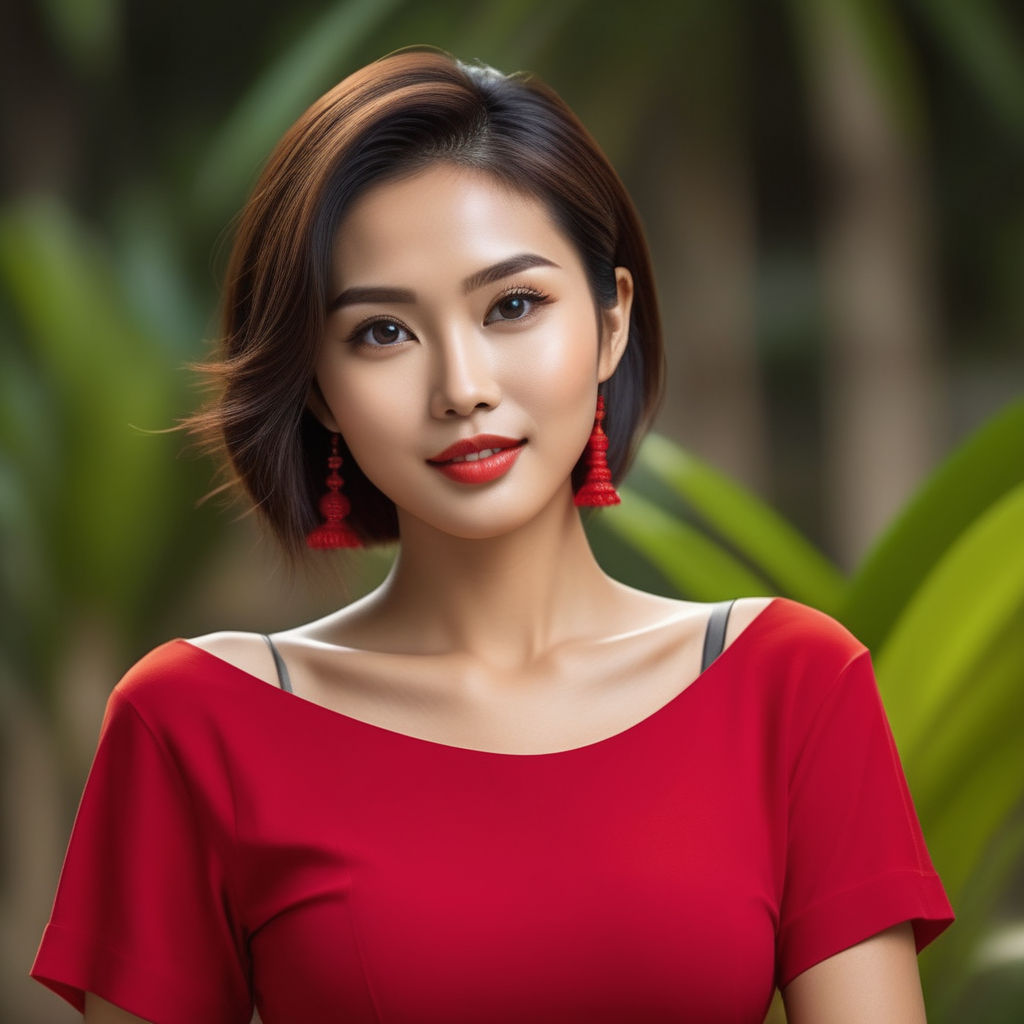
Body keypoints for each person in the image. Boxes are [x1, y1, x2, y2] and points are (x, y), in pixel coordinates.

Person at [30, 47, 954, 1024]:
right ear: (318, 391)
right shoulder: (195, 723)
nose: (461, 385)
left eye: (512, 306)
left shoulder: (790, 686)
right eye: (382, 332)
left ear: (610, 324)